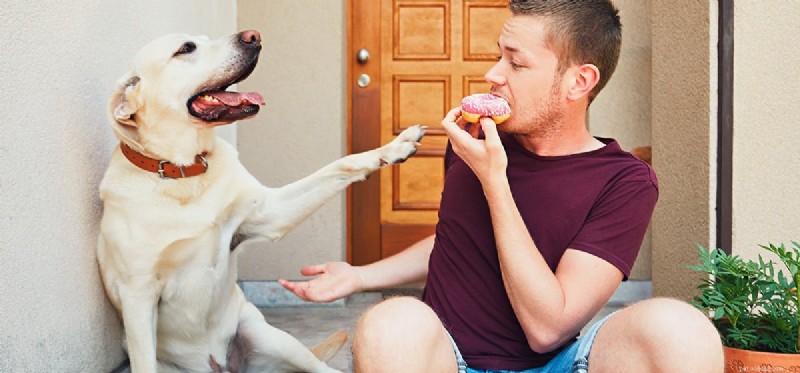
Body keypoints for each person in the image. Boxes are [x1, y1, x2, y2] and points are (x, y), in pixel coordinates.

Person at [280, 0, 724, 371]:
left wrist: (496, 182)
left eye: (516, 62)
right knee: (389, 323)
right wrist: (358, 276)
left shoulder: (625, 181)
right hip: (450, 357)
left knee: (681, 330)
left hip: (560, 360)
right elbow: (459, 240)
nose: (494, 74)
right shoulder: (477, 141)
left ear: (579, 82)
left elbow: (548, 327)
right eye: (499, 55)